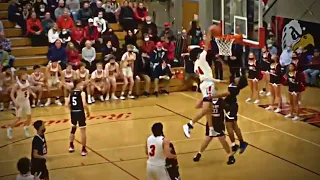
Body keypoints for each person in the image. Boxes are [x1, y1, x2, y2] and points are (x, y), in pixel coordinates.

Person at [183, 27, 225, 138]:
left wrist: (218, 81)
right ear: (197, 55)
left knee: (209, 109)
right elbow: (206, 46)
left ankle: (211, 129)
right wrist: (209, 33)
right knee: (206, 109)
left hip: (205, 84)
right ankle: (189, 124)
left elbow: (206, 76)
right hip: (207, 85)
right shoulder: (201, 58)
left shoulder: (196, 65)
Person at [208, 74, 249, 154]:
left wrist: (213, 96)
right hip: (230, 106)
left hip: (231, 107)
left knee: (229, 126)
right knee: (234, 126)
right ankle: (242, 143)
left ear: (239, 82)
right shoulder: (233, 83)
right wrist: (215, 80)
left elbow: (225, 94)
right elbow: (225, 82)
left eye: (238, 78)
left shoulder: (235, 89)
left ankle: (234, 145)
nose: (236, 77)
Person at [193, 96, 236, 165]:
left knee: (221, 139)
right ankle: (199, 153)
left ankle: (230, 156)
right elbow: (197, 106)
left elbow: (228, 108)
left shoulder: (221, 100)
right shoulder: (208, 101)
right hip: (210, 123)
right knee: (207, 139)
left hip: (219, 123)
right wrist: (202, 100)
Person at [7, 68, 35, 139]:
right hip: (19, 102)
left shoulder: (27, 81)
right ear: (20, 76)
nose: (26, 75)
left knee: (29, 117)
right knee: (18, 119)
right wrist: (15, 102)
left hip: (26, 101)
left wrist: (32, 93)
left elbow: (28, 88)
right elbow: (11, 94)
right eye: (24, 74)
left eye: (26, 73)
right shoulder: (17, 85)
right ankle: (9, 128)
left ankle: (26, 128)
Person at [66, 80, 90, 156]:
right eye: (81, 84)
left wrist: (71, 110)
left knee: (73, 128)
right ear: (77, 85)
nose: (82, 86)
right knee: (83, 131)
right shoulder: (82, 93)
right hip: (80, 112)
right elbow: (84, 104)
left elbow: (66, 104)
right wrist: (88, 111)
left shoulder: (71, 93)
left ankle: (71, 146)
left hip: (73, 112)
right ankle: (83, 149)